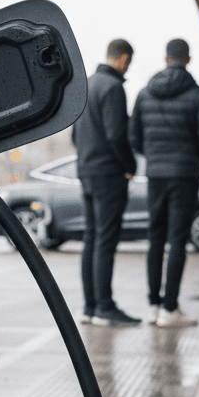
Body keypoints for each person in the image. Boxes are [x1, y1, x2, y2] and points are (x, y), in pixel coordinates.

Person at [129, 38, 199, 327]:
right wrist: (191, 157)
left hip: (155, 174)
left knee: (155, 237)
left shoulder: (145, 93)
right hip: (184, 174)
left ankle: (153, 306)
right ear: (187, 59)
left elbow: (134, 137)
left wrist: (154, 156)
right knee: (177, 239)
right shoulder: (198, 95)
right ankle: (170, 309)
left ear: (165, 58)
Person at [71, 39, 140, 326]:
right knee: (106, 240)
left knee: (91, 238)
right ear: (123, 58)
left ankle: (89, 307)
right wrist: (130, 166)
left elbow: (74, 136)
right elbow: (116, 135)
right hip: (109, 174)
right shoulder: (113, 88)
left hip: (86, 171)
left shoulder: (86, 86)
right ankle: (105, 307)